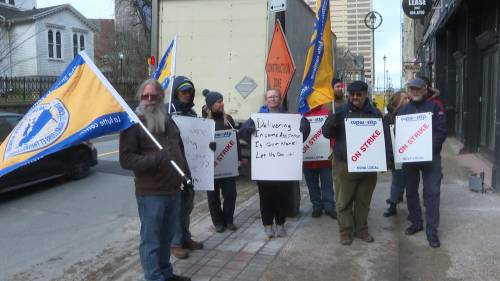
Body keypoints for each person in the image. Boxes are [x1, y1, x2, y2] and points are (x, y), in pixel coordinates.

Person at [119, 79, 191, 281]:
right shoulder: (134, 124)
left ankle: (165, 273)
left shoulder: (168, 120)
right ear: (141, 98)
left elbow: (179, 151)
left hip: (173, 190)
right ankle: (153, 277)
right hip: (151, 193)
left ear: (161, 97)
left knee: (167, 237)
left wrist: (186, 176)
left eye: (154, 96)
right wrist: (155, 159)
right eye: (145, 96)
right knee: (151, 241)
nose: (150, 100)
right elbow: (125, 159)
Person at [322, 80, 390, 246]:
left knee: (363, 201)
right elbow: (326, 133)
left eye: (358, 94)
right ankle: (345, 231)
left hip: (368, 165)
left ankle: (361, 229)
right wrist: (332, 122)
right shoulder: (340, 111)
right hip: (344, 164)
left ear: (365, 94)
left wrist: (385, 160)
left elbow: (385, 138)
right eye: (352, 95)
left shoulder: (376, 113)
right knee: (343, 200)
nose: (355, 98)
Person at [239, 89, 310, 238]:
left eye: (276, 96)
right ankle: (267, 225)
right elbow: (243, 132)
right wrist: (248, 130)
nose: (273, 99)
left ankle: (280, 224)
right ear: (266, 100)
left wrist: (304, 127)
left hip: (283, 168)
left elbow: (304, 130)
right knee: (266, 198)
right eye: (270, 97)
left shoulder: (290, 117)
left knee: (282, 197)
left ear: (280, 99)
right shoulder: (256, 118)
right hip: (264, 168)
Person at [397, 78, 447, 248]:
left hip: (430, 158)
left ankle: (432, 231)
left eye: (418, 89)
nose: (415, 91)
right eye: (412, 89)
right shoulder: (403, 111)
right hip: (410, 159)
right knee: (410, 192)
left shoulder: (435, 107)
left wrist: (427, 149)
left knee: (432, 193)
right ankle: (416, 222)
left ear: (425, 89)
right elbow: (399, 132)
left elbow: (441, 132)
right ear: (409, 91)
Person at [166, 76, 204, 259]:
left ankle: (186, 238)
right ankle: (175, 243)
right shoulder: (168, 112)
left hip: (192, 166)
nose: (187, 95)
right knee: (176, 206)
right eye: (183, 91)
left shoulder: (192, 113)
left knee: (187, 205)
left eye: (190, 91)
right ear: (176, 92)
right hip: (175, 167)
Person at [202, 89, 241, 233]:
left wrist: (239, 159)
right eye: (219, 102)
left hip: (228, 165)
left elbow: (235, 139)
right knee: (213, 196)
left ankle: (228, 220)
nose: (222, 104)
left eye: (222, 101)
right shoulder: (205, 121)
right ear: (211, 104)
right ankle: (218, 222)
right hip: (211, 166)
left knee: (230, 194)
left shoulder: (228, 120)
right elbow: (200, 143)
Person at [303, 103, 336, 219]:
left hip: (325, 158)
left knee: (327, 184)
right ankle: (316, 206)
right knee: (312, 185)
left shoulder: (327, 113)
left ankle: (329, 207)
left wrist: (332, 146)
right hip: (307, 158)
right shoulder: (301, 115)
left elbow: (333, 132)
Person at [383, 91, 409, 217]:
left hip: (409, 154)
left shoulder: (410, 114)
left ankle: (398, 198)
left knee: (406, 180)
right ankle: (393, 204)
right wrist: (389, 157)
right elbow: (387, 139)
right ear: (399, 101)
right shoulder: (388, 118)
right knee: (397, 180)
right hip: (395, 154)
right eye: (405, 99)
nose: (408, 100)